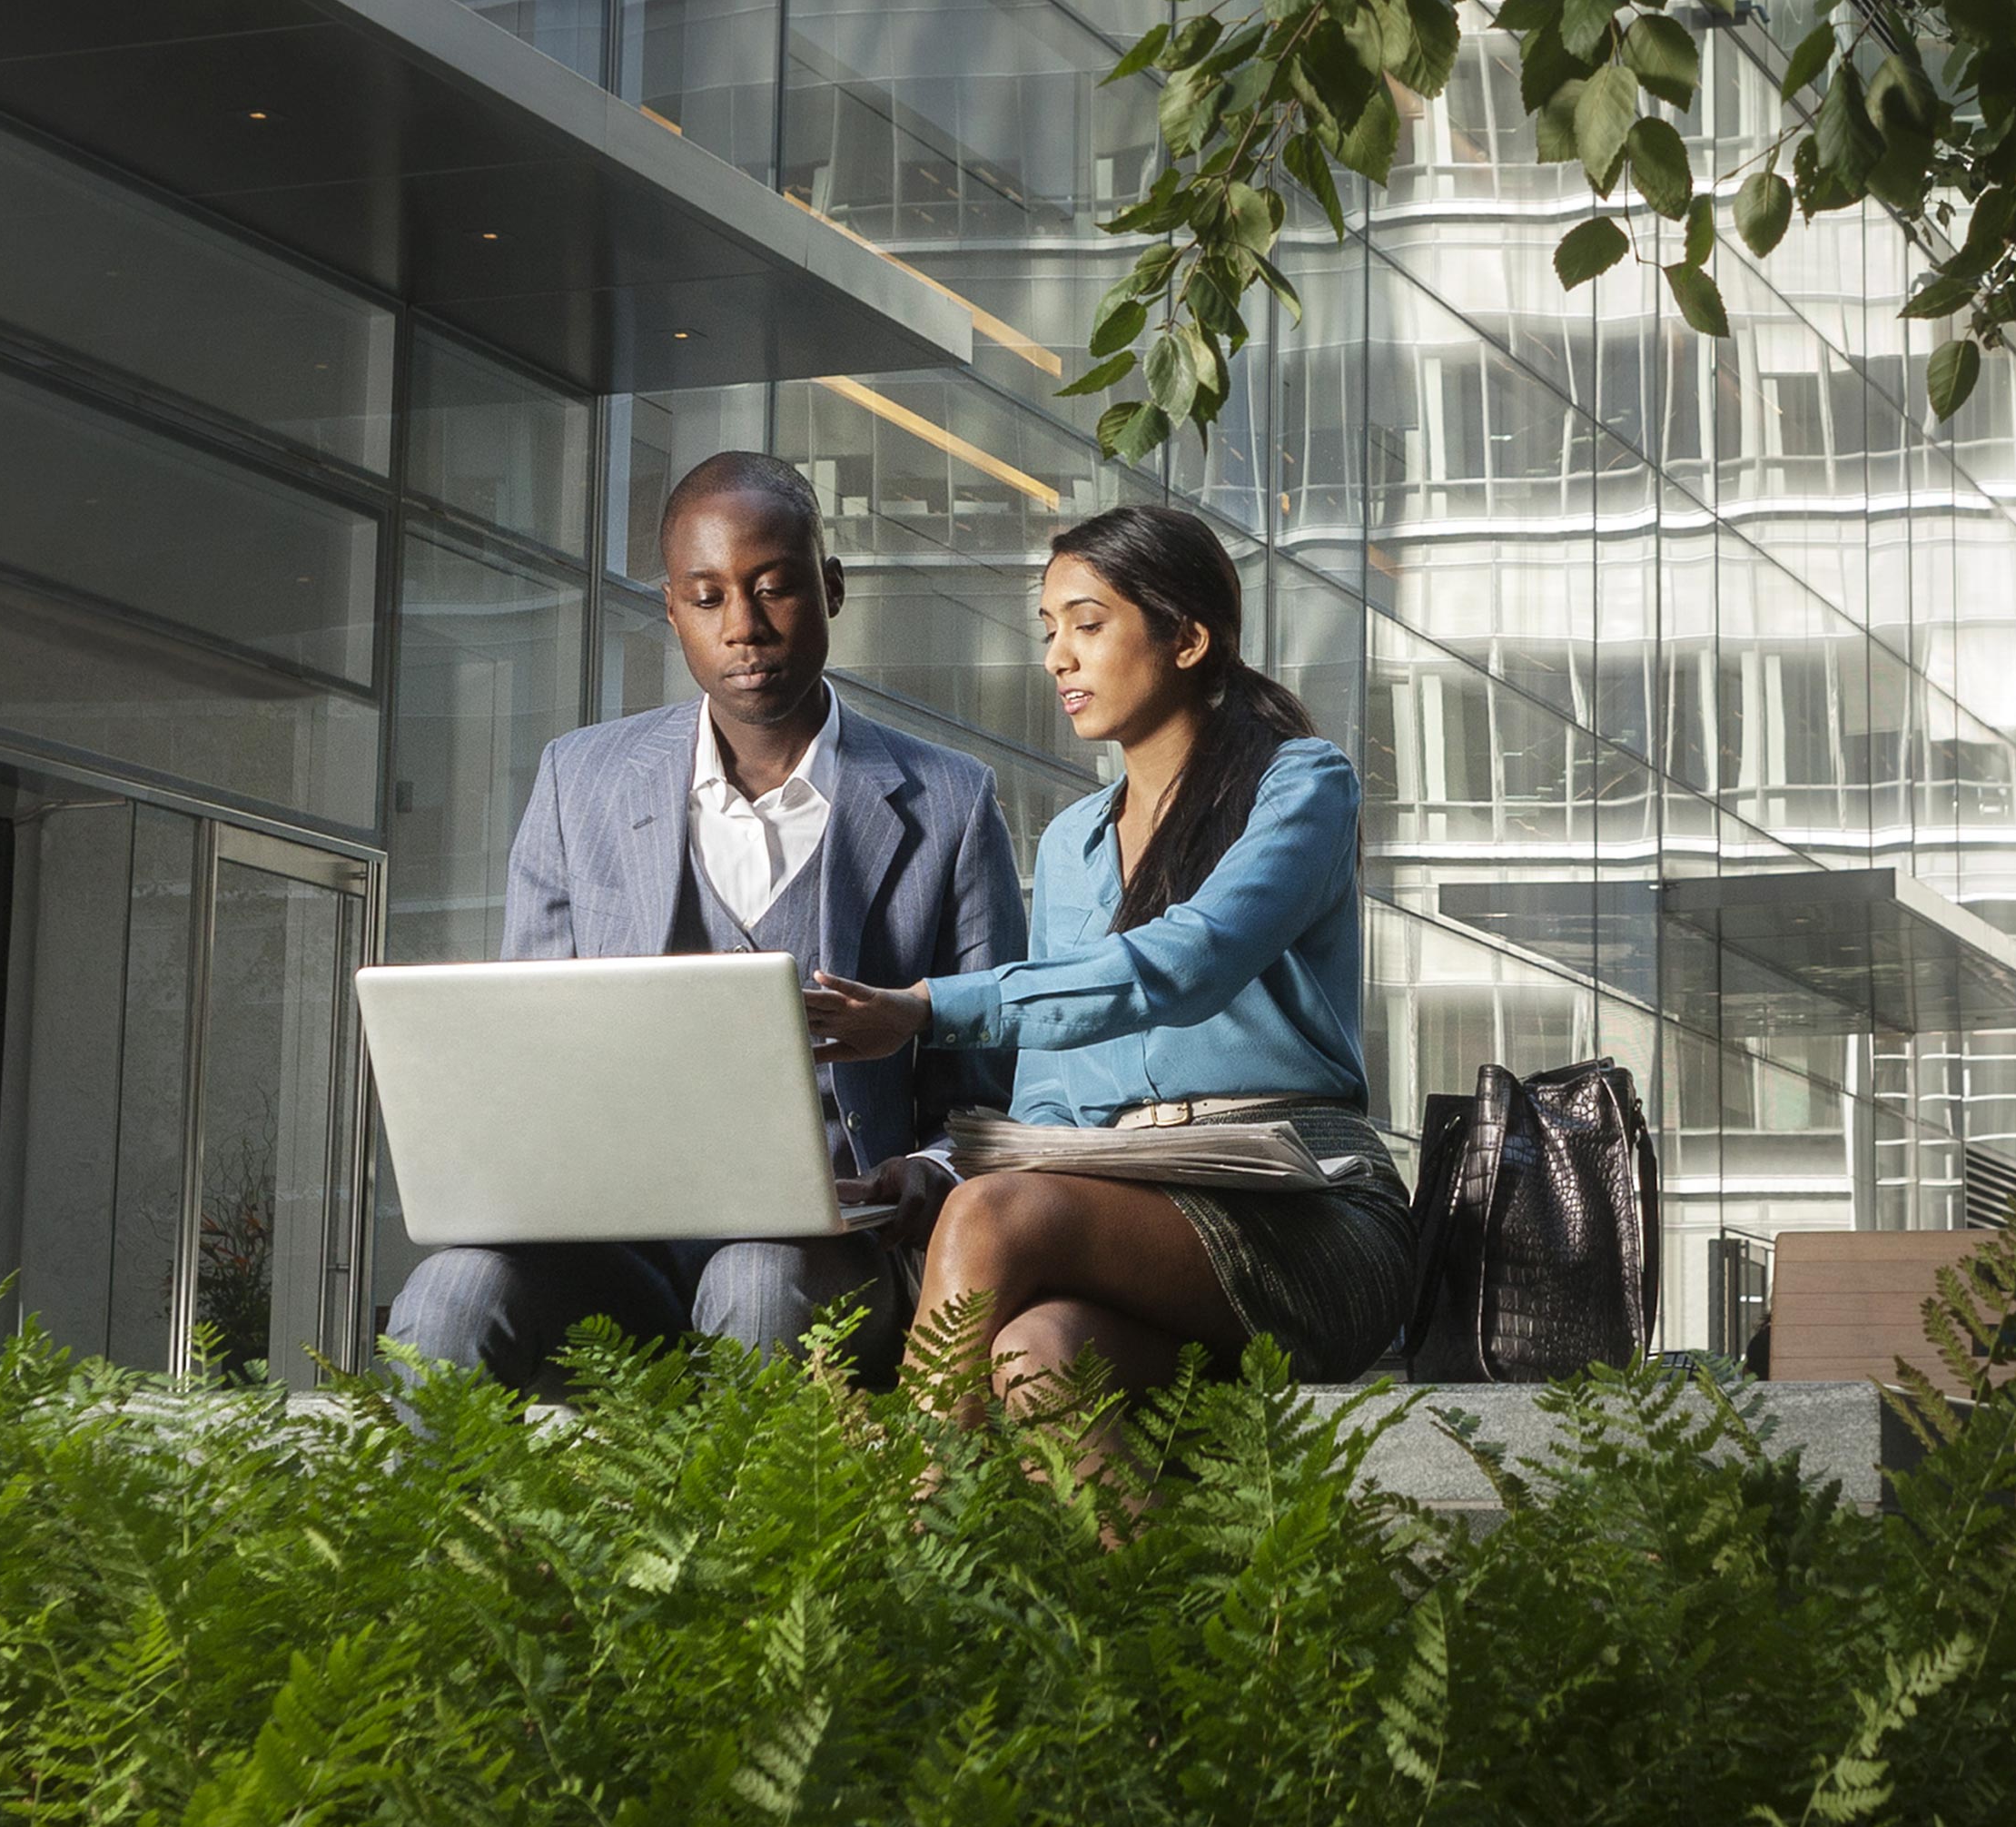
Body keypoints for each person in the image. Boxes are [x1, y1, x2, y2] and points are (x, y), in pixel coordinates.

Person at [384, 452, 1026, 1392]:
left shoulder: (951, 802)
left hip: (829, 1255)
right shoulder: (580, 785)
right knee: (450, 1293)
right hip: (621, 1256)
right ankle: (435, 1545)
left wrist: (926, 1170)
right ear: (671, 610)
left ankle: (748, 1546)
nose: (745, 629)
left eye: (773, 589)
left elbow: (994, 1095)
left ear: (831, 588)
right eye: (709, 597)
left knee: (758, 1278)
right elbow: (531, 1056)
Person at [800, 504, 1410, 1409]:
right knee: (1039, 1356)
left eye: (1088, 625)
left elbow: (1189, 961)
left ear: (1189, 638)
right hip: (1137, 1212)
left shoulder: (1301, 783)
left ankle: (907, 1521)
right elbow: (1046, 1100)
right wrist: (933, 1171)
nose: (1058, 657)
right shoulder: (1071, 843)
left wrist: (928, 1005)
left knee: (992, 1216)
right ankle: (1121, 1557)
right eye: (1049, 632)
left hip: (1306, 1211)